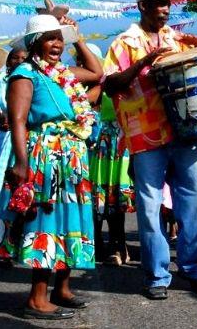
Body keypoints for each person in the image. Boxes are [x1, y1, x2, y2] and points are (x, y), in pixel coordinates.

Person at [103, 0, 197, 300]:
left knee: (194, 204)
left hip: (184, 131)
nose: (165, 8)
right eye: (159, 4)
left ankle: (194, 270)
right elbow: (111, 84)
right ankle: (157, 276)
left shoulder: (176, 38)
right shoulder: (124, 42)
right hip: (145, 136)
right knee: (150, 207)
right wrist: (142, 63)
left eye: (168, 4)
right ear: (143, 7)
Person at [0, 14, 102, 320]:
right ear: (35, 43)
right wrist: (22, 163)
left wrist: (77, 36)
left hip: (73, 155)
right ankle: (36, 299)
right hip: (45, 154)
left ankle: (62, 289)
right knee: (46, 221)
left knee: (70, 219)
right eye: (50, 38)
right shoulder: (25, 73)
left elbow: (97, 72)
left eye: (60, 38)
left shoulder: (63, 72)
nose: (57, 44)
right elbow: (18, 121)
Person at [83, 43, 134, 267]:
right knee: (101, 198)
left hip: (122, 142)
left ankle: (118, 245)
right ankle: (101, 245)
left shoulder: (115, 82)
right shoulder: (93, 88)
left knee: (117, 198)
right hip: (103, 145)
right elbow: (79, 105)